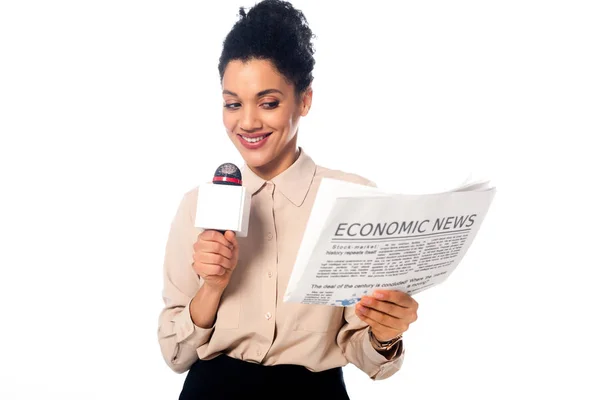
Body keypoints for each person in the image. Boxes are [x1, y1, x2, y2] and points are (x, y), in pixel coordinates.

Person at [157, 1, 419, 398]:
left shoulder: (352, 200)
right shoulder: (197, 205)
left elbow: (364, 355)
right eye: (232, 103)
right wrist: (212, 287)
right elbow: (175, 355)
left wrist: (384, 334)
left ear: (304, 100)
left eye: (268, 102)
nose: (247, 122)